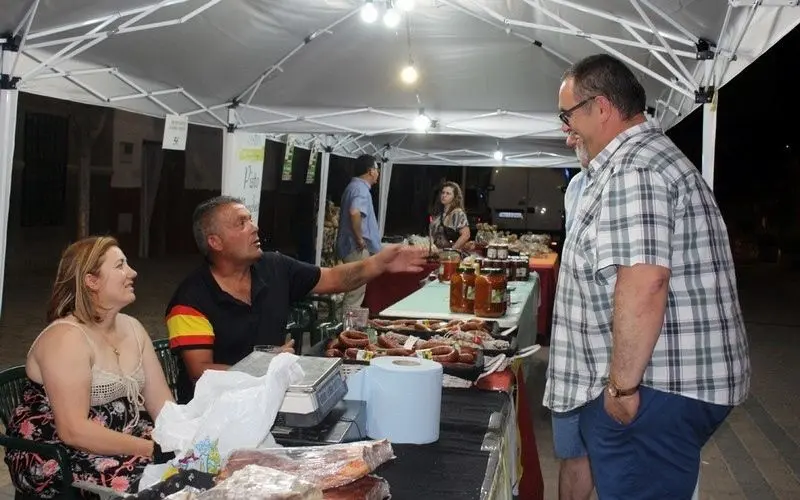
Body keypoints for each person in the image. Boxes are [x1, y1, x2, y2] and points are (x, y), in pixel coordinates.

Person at [544, 54, 750, 499]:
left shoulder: (634, 168)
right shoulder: (643, 159)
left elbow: (644, 282)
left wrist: (621, 389)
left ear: (601, 107)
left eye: (567, 115)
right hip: (662, 387)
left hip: (655, 388)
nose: (565, 128)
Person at [166, 196, 427, 402]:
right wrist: (263, 365)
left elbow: (334, 278)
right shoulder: (190, 300)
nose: (255, 228)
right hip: (215, 414)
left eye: (251, 220)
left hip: (271, 400)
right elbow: (200, 373)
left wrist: (379, 264)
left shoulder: (274, 267)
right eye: (241, 223)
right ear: (215, 242)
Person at [4, 237, 175, 498]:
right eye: (120, 266)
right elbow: (73, 431)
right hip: (58, 452)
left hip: (119, 435)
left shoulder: (133, 328)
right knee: (161, 482)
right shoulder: (66, 338)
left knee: (198, 463)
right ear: (91, 281)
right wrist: (153, 449)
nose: (132, 272)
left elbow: (164, 407)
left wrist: (183, 438)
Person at [551, 131, 594, 500]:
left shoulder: (636, 180)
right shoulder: (577, 186)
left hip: (613, 360)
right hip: (572, 354)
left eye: (573, 125)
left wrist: (624, 385)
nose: (569, 140)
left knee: (616, 464)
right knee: (572, 454)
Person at [336, 154, 381, 311]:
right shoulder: (360, 189)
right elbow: (355, 212)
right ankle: (346, 326)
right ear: (370, 171)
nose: (378, 173)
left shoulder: (354, 187)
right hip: (356, 248)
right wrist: (360, 239)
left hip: (351, 246)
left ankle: (344, 323)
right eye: (377, 169)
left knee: (353, 290)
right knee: (355, 292)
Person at [429, 181, 471, 250]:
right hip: (436, 252)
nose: (444, 195)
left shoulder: (457, 213)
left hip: (450, 255)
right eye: (443, 192)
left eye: (448, 193)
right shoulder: (439, 213)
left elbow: (466, 235)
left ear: (455, 197)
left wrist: (451, 251)